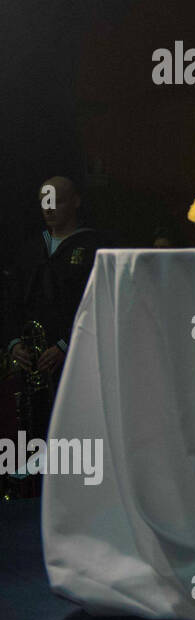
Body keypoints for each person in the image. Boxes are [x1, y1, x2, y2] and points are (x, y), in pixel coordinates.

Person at [5, 176, 103, 437]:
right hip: (31, 363)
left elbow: (97, 303)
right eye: (44, 201)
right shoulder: (30, 249)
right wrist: (14, 342)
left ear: (75, 201)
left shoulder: (95, 248)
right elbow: (11, 299)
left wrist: (65, 345)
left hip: (76, 360)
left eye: (56, 200)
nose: (49, 207)